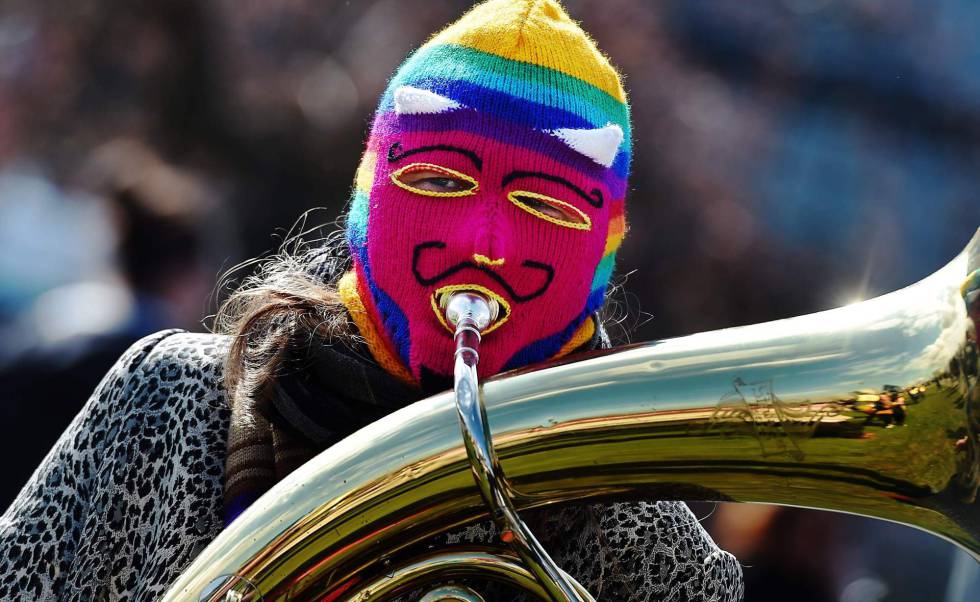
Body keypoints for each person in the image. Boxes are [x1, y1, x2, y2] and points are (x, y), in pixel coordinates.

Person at [0, 1, 743, 600]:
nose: (485, 244)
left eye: (545, 207)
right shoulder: (166, 399)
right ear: (370, 195)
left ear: (604, 247)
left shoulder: (647, 546)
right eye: (441, 181)